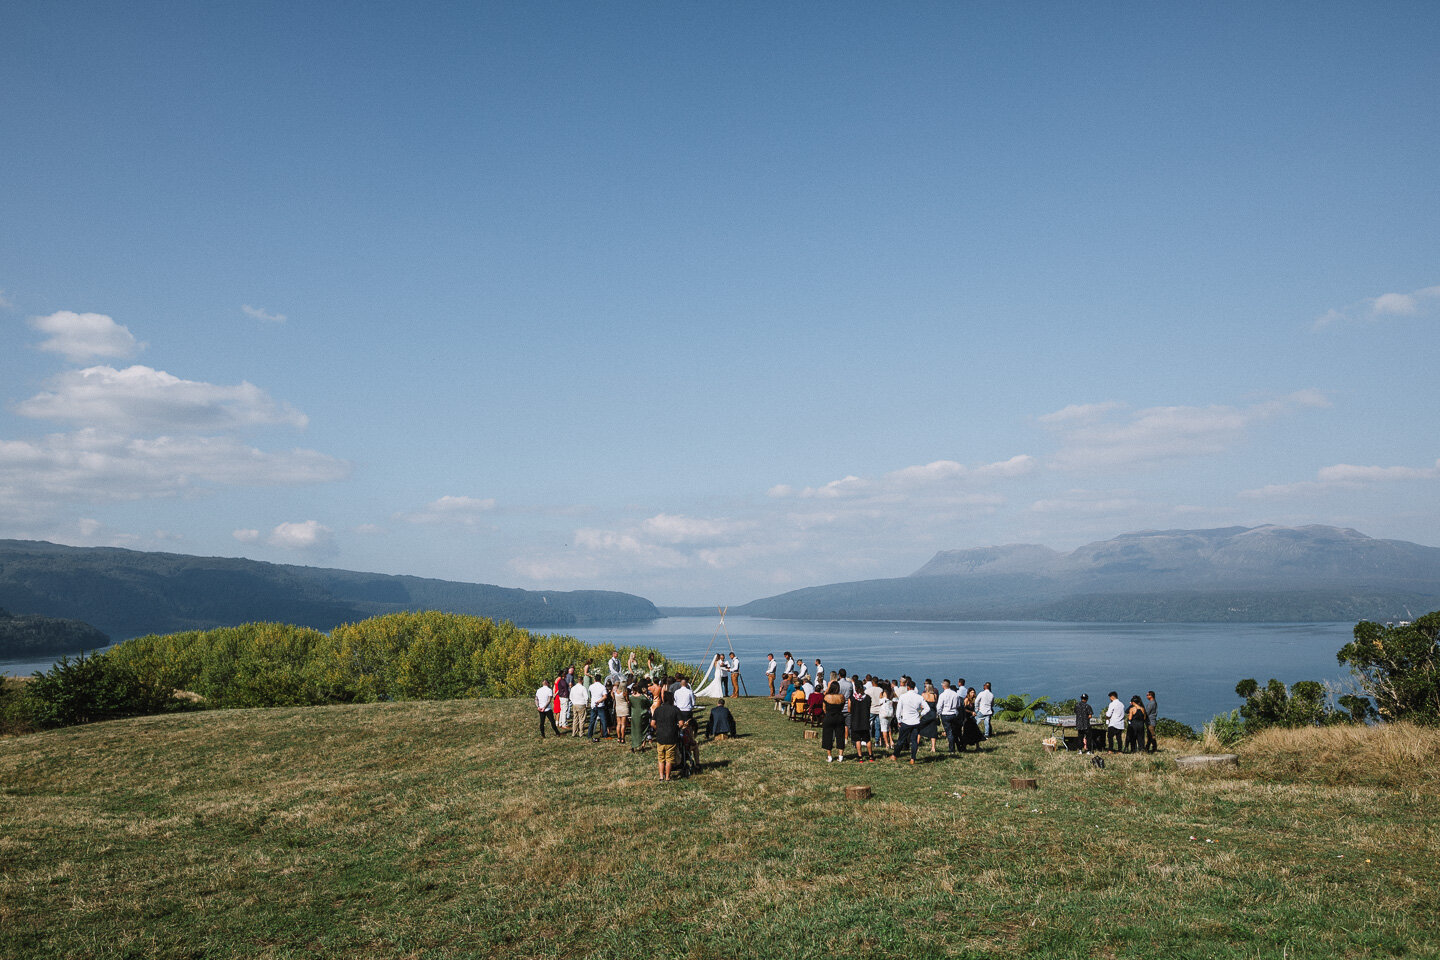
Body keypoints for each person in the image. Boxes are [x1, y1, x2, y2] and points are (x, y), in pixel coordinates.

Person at [891, 679, 928, 764]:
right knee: (914, 741)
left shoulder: (903, 697)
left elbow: (898, 711)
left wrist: (899, 720)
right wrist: (920, 714)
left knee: (901, 740)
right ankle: (913, 758)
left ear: (908, 687)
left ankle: (895, 755)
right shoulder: (919, 697)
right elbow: (927, 708)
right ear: (914, 687)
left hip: (906, 721)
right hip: (916, 721)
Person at [652, 690, 682, 781]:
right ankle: (668, 777)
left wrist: (658, 729)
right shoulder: (675, 709)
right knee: (669, 758)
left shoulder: (658, 709)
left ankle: (661, 777)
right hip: (671, 736)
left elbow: (652, 723)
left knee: (661, 758)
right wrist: (676, 728)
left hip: (660, 737)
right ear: (672, 699)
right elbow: (681, 723)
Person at [848, 682, 874, 761]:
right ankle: (871, 756)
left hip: (855, 721)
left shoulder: (852, 698)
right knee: (867, 739)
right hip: (865, 721)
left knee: (857, 740)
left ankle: (860, 757)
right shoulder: (868, 698)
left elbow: (849, 710)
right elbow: (869, 707)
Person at [821, 681, 847, 762]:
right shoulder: (842, 697)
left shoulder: (826, 697)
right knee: (840, 736)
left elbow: (824, 708)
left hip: (829, 717)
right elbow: (842, 707)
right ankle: (841, 756)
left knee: (827, 736)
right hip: (839, 717)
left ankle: (829, 756)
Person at [937, 679, 962, 753]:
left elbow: (939, 707)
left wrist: (939, 714)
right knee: (955, 731)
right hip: (954, 714)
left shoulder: (942, 695)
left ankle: (951, 749)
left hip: (945, 714)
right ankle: (959, 747)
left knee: (949, 732)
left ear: (943, 686)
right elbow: (958, 705)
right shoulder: (955, 694)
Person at [569, 670, 590, 739]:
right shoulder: (583, 688)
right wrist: (586, 704)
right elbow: (586, 697)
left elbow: (570, 697)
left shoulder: (573, 688)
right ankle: (581, 732)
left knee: (575, 719)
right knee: (582, 719)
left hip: (575, 704)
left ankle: (574, 732)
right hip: (581, 704)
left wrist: (573, 702)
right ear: (582, 681)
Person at [614, 677, 631, 743]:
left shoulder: (616, 692)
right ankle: (623, 737)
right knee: (623, 724)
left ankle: (618, 737)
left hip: (618, 708)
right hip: (624, 708)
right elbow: (627, 700)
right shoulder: (625, 693)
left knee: (618, 724)